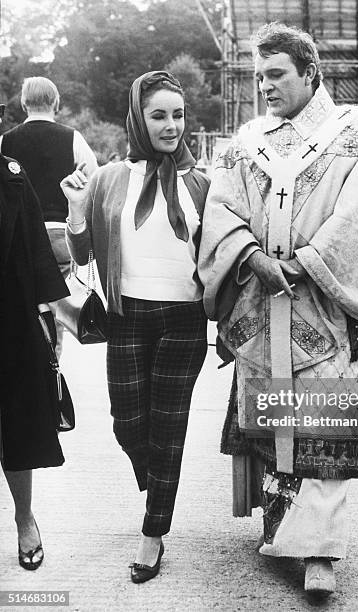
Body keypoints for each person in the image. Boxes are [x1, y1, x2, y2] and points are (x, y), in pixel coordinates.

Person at [198, 22, 358, 595]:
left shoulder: (356, 135)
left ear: (311, 73)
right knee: (273, 426)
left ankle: (320, 554)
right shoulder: (247, 140)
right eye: (258, 76)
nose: (265, 86)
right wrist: (248, 252)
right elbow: (221, 209)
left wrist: (305, 262)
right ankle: (280, 525)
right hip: (259, 306)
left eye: (277, 75)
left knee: (324, 427)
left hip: (324, 306)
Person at [61, 70, 210, 583]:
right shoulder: (108, 178)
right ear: (137, 118)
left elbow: (221, 255)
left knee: (168, 430)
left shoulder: (201, 183)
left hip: (184, 320)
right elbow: (81, 254)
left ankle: (153, 533)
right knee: (128, 423)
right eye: (159, 115)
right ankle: (157, 482)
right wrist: (76, 211)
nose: (171, 126)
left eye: (178, 115)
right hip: (126, 316)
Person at [0, 100, 70, 570]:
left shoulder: (10, 174)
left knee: (17, 427)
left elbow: (36, 251)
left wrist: (59, 314)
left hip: (9, 318)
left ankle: (25, 518)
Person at [0, 76, 98, 357]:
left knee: (18, 307)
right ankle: (51, 371)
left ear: (23, 103)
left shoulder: (6, 141)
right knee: (52, 312)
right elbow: (93, 177)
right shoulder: (73, 138)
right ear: (56, 102)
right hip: (58, 236)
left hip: (18, 236)